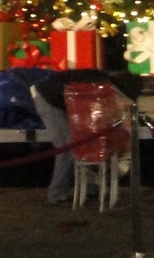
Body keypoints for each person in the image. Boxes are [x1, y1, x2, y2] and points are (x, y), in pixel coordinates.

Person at [29, 67, 140, 206]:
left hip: (59, 97)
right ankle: (57, 194)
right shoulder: (98, 86)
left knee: (83, 144)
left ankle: (90, 188)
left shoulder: (101, 81)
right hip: (48, 98)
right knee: (67, 147)